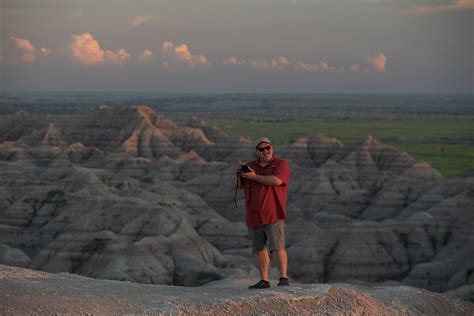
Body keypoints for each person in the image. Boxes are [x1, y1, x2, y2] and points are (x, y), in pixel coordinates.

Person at [230, 137, 291, 289]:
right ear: (257, 152)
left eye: (268, 148)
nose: (265, 151)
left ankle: (283, 278)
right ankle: (264, 280)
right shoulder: (250, 167)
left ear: (272, 148)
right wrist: (237, 174)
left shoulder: (281, 164)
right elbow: (234, 186)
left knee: (277, 246)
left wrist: (254, 177)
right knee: (260, 249)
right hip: (253, 215)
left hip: (273, 213)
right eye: (261, 149)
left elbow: (276, 181)